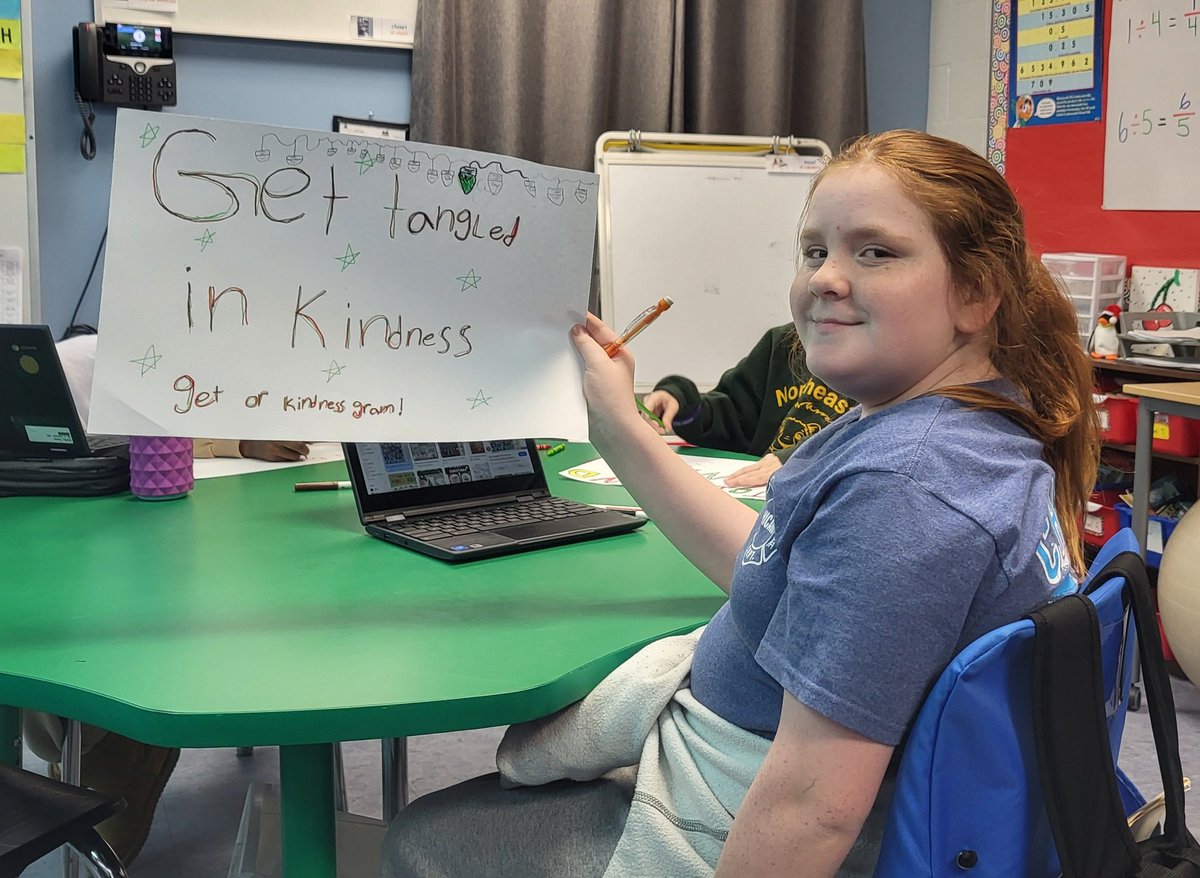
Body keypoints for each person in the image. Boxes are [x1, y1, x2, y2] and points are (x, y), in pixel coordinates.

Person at [378, 130, 1097, 877]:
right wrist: (617, 425)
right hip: (757, 772)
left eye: (875, 252)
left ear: (977, 292)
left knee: (424, 842)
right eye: (815, 250)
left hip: (730, 810)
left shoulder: (905, 492)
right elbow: (769, 563)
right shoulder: (954, 427)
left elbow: (811, 809)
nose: (826, 278)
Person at [21, 331, 310, 865]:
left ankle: (98, 743)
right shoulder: (109, 363)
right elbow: (143, 437)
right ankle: (106, 741)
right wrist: (236, 440)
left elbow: (166, 433)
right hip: (91, 542)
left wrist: (235, 440)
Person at [640, 325, 854, 487]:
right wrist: (683, 401)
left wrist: (795, 460)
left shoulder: (882, 363)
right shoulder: (783, 343)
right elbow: (732, 421)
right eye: (813, 263)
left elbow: (871, 436)